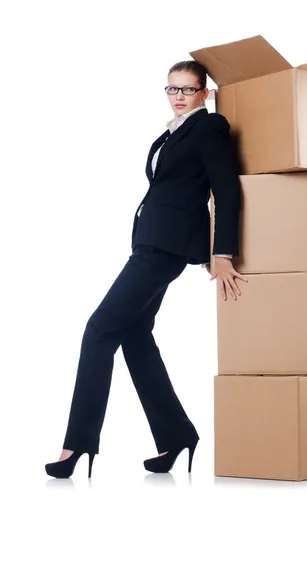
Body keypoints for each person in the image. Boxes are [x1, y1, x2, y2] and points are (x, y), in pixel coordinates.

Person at [44, 60, 247, 479]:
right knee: (135, 336)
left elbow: (224, 189)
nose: (178, 97)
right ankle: (176, 435)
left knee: (99, 329)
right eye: (172, 89)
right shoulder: (175, 131)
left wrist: (222, 251)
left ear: (204, 94)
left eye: (188, 90)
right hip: (153, 243)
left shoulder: (208, 128)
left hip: (165, 248)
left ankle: (77, 443)